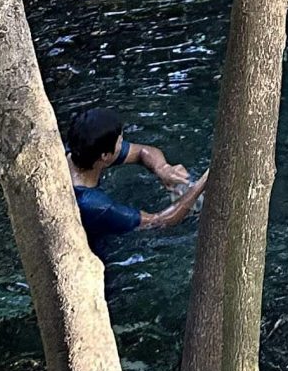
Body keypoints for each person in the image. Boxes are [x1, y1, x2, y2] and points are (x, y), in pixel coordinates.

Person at [64, 104, 208, 265]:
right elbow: (159, 222)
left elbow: (142, 152)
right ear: (105, 156)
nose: (123, 144)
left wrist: (163, 169)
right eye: (120, 142)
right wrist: (202, 184)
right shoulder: (95, 205)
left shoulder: (78, 153)